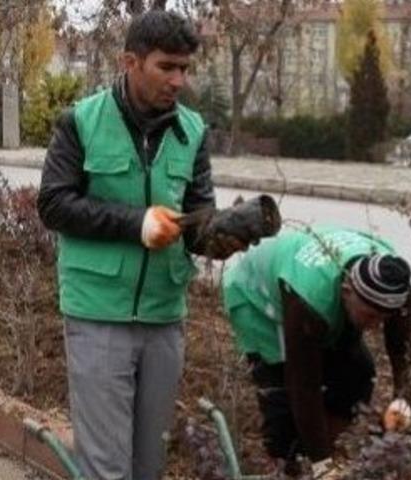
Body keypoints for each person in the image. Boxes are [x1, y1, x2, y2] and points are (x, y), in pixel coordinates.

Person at [37, 11, 265, 479]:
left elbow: (198, 216)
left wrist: (222, 238)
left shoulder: (193, 131)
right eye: (167, 67)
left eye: (185, 69)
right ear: (131, 62)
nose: (178, 80)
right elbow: (54, 204)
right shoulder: (81, 121)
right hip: (98, 314)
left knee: (149, 467)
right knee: (106, 468)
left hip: (164, 318)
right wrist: (135, 224)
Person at [222, 226, 411, 478]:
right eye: (371, 316)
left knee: (358, 374)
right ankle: (291, 466)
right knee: (284, 399)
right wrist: (321, 466)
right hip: (257, 297)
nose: (375, 326)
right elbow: (303, 385)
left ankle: (326, 451)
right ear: (346, 291)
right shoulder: (309, 299)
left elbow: (409, 360)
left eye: (384, 318)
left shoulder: (393, 288)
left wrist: (395, 425)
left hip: (325, 293)